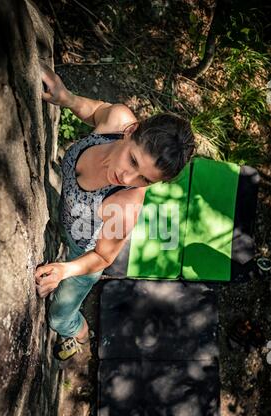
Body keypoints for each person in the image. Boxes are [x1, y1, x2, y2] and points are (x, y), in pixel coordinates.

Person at [35, 64, 195, 361]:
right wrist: (67, 98)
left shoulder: (125, 205)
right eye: (133, 160)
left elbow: (104, 257)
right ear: (130, 131)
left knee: (58, 318)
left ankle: (80, 335)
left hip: (83, 254)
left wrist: (65, 270)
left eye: (145, 179)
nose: (127, 177)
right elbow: (95, 110)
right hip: (66, 218)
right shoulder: (118, 119)